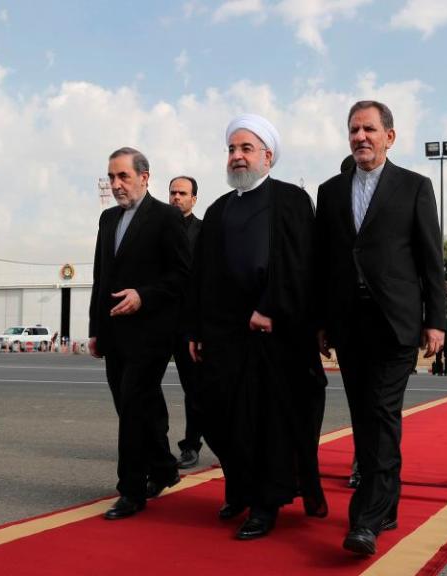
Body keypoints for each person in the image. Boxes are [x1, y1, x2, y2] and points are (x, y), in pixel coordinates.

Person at [187, 114, 326, 540]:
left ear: (268, 156)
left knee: (265, 422)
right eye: (232, 149)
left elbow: (301, 263)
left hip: (273, 331)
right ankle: (241, 487)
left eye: (246, 149)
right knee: (219, 415)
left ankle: (265, 503)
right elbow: (203, 275)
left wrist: (270, 308)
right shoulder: (218, 208)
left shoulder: (291, 201)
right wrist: (197, 328)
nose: (237, 156)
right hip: (225, 332)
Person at [315, 100, 445, 556]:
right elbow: (324, 264)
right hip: (349, 325)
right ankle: (385, 503)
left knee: (382, 415)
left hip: (395, 323)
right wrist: (322, 322)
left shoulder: (415, 187)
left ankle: (365, 520)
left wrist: (436, 321)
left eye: (369, 129)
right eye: (353, 130)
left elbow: (431, 258)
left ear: (390, 136)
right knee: (363, 418)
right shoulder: (329, 191)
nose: (360, 137)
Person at [89, 147, 190, 520]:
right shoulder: (107, 219)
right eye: (111, 177)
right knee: (131, 406)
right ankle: (164, 467)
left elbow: (182, 274)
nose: (116, 184)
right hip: (114, 333)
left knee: (133, 405)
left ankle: (130, 490)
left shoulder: (166, 218)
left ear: (144, 178)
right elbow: (102, 277)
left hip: (151, 332)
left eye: (123, 177)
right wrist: (95, 329)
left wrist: (143, 296)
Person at [168, 175, 203, 469]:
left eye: (183, 193)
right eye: (173, 193)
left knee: (193, 388)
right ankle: (151, 443)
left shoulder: (204, 232)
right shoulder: (155, 228)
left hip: (188, 324)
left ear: (194, 198)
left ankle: (191, 446)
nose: (177, 197)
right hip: (156, 322)